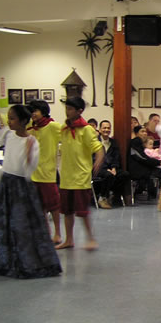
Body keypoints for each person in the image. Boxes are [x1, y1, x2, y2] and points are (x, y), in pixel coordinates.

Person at [0, 104, 62, 278]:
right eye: (9, 118)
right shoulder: (8, 135)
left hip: (21, 187)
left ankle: (24, 262)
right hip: (6, 184)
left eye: (12, 119)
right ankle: (4, 260)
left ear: (23, 121)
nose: (9, 122)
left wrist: (27, 156)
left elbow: (27, 170)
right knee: (3, 223)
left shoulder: (31, 141)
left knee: (21, 225)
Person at [56, 97, 104, 251]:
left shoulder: (87, 129)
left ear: (79, 111)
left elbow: (98, 147)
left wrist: (99, 159)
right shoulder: (64, 128)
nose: (67, 111)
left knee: (82, 211)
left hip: (80, 177)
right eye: (66, 108)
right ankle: (69, 239)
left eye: (70, 109)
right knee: (67, 211)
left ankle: (90, 238)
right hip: (66, 177)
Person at [28, 99, 62, 245]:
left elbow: (67, 134)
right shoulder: (31, 127)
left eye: (35, 110)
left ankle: (58, 234)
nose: (33, 114)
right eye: (31, 111)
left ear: (43, 111)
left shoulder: (52, 126)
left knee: (54, 206)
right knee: (39, 207)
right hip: (32, 174)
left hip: (48, 175)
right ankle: (45, 233)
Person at [95, 120, 130, 208]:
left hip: (111, 168)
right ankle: (102, 198)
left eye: (108, 128)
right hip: (98, 168)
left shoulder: (113, 142)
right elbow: (93, 159)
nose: (106, 130)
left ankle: (114, 196)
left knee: (125, 174)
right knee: (108, 175)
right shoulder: (95, 142)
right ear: (100, 130)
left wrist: (114, 167)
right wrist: (106, 169)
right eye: (104, 128)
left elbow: (116, 157)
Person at [128, 125, 161, 200]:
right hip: (135, 170)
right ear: (136, 133)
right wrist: (158, 162)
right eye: (142, 131)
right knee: (158, 171)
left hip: (139, 167)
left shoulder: (140, 143)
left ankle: (150, 193)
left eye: (145, 132)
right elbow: (142, 158)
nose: (145, 133)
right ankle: (152, 194)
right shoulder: (136, 141)